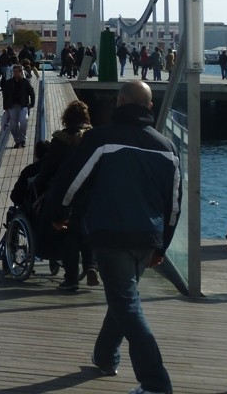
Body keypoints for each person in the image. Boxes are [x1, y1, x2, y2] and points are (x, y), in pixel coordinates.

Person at [50, 81, 182, 394]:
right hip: (147, 238)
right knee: (124, 299)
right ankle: (105, 356)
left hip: (110, 235)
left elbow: (71, 182)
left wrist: (59, 215)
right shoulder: (167, 148)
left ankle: (155, 383)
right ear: (150, 107)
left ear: (119, 103)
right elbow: (174, 205)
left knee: (126, 303)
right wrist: (162, 243)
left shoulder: (101, 140)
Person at [33, 99, 97, 290]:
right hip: (91, 191)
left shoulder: (61, 139)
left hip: (66, 192)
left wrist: (38, 183)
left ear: (67, 118)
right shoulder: (94, 138)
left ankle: (71, 279)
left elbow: (49, 167)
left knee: (67, 232)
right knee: (85, 230)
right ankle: (91, 265)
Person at [0, 64, 36, 148]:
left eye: (16, 72)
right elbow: (5, 95)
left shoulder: (25, 82)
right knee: (13, 125)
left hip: (23, 105)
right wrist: (5, 107)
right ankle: (17, 141)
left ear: (20, 72)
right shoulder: (9, 82)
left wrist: (32, 104)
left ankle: (23, 139)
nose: (14, 73)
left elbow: (32, 92)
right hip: (12, 106)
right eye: (14, 72)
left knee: (23, 122)